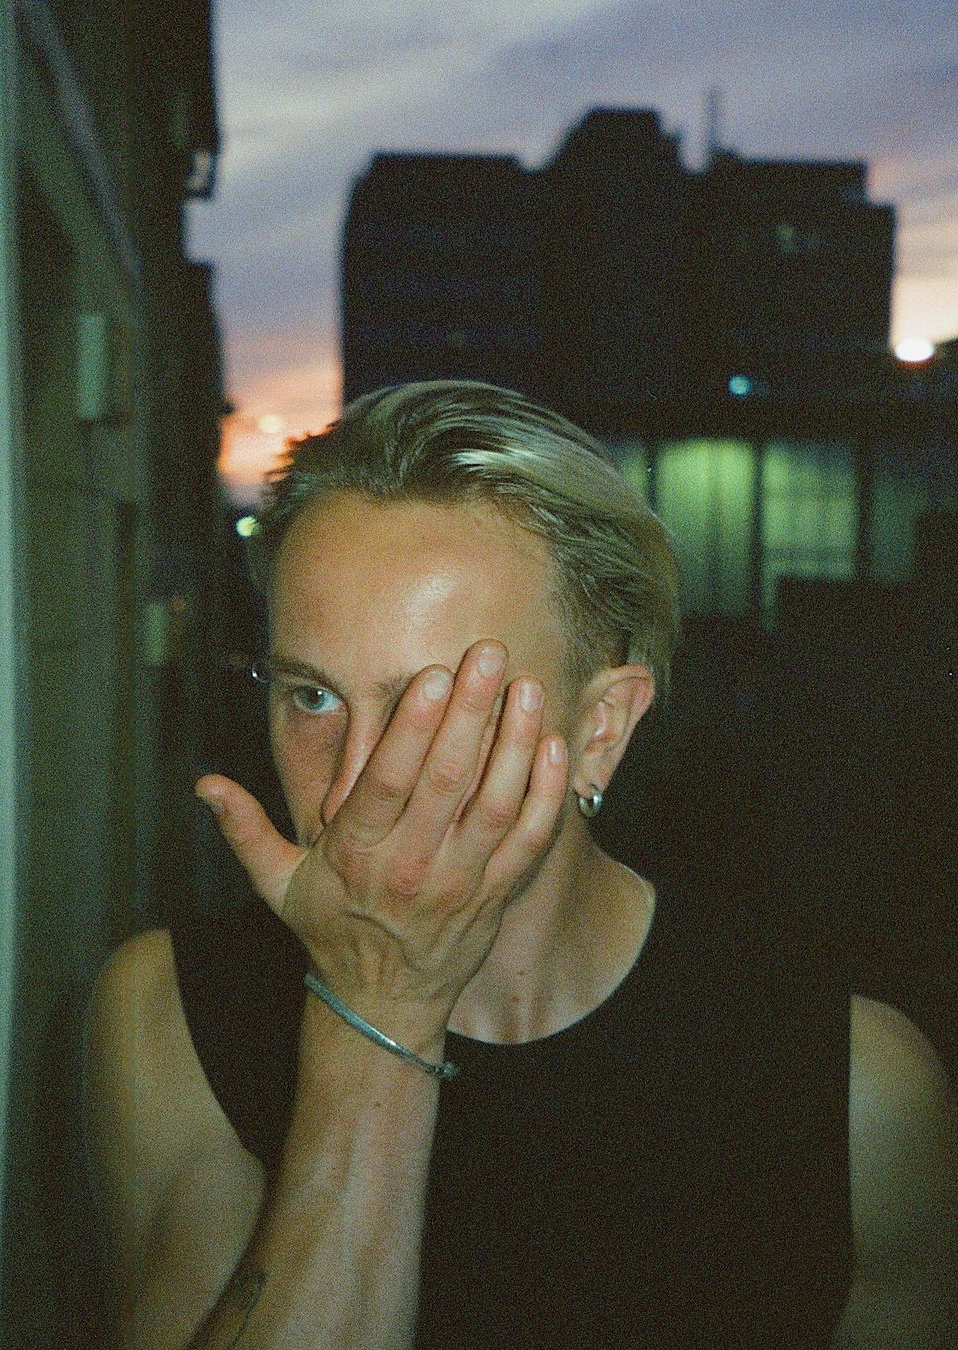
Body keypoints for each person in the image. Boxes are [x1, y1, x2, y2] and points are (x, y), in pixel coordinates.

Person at [84, 381, 957, 1348]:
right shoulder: (172, 1009)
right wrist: (380, 1004)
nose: (353, 791)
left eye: (437, 706)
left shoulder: (850, 1088)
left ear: (600, 729)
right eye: (313, 697)